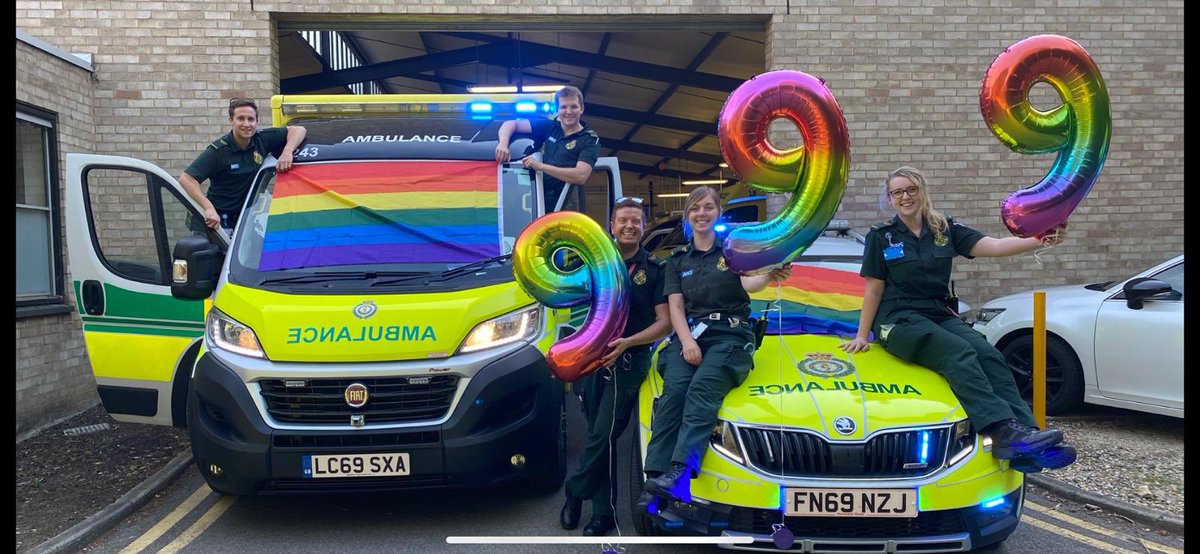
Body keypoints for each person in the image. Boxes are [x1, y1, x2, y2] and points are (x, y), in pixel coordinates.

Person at [841, 166, 1076, 473]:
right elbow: (874, 289)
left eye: (911, 189)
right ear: (890, 199)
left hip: (937, 312)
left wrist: (1040, 240)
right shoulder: (881, 236)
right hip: (897, 319)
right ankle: (1001, 431)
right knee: (957, 351)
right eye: (897, 192)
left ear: (922, 191)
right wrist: (862, 335)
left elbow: (993, 246)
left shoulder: (944, 229)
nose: (905, 197)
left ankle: (1028, 439)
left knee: (988, 353)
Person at [637, 186, 790, 510]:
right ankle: (654, 481)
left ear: (719, 212)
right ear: (688, 216)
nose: (702, 213)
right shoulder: (677, 260)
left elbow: (750, 284)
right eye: (695, 208)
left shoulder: (733, 251)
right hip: (689, 336)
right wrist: (687, 342)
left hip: (729, 336)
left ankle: (680, 474)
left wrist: (768, 274)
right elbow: (676, 307)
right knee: (673, 394)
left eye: (708, 207)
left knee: (702, 389)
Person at [559, 196, 673, 536]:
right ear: (611, 225)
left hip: (628, 360)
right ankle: (603, 512)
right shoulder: (592, 265)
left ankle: (575, 490)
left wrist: (628, 342)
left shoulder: (655, 269)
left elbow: (664, 323)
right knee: (599, 435)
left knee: (604, 434)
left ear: (644, 227)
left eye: (636, 221)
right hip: (590, 360)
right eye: (623, 220)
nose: (629, 226)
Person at [180, 97, 306, 236]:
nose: (246, 124)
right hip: (216, 221)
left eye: (251, 119)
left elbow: (298, 130)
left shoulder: (262, 139)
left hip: (245, 218)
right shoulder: (218, 151)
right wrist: (208, 208)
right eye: (240, 118)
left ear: (256, 121)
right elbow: (187, 179)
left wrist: (287, 152)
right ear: (231, 120)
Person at [494, 86, 600, 213]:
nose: (568, 111)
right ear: (557, 109)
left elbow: (580, 176)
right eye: (563, 107)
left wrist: (540, 167)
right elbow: (511, 124)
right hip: (539, 202)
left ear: (582, 109)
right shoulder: (549, 126)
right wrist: (503, 144)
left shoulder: (589, 139)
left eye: (574, 107)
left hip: (567, 206)